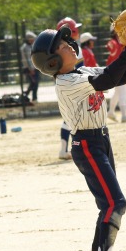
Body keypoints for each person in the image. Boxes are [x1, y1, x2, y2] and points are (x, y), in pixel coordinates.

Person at [30, 24, 126, 251]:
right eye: (62, 46)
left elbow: (123, 76)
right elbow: (108, 80)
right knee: (115, 202)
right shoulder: (67, 81)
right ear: (52, 62)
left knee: (108, 203)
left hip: (101, 140)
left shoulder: (81, 72)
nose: (70, 46)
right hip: (87, 144)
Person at [56, 17, 83, 159]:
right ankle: (65, 149)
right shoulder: (73, 49)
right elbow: (80, 69)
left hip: (66, 85)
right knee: (71, 119)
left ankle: (64, 149)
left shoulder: (58, 49)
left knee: (69, 118)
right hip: (75, 85)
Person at [106, 30, 126, 122]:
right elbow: (112, 48)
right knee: (123, 92)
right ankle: (124, 116)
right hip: (117, 70)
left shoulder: (119, 42)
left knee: (118, 92)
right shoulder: (114, 42)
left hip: (117, 69)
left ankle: (111, 112)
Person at [20, 31, 39, 102]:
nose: (33, 40)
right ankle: (25, 95)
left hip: (35, 68)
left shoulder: (33, 46)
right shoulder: (24, 48)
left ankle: (34, 98)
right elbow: (24, 60)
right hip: (28, 69)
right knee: (33, 83)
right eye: (32, 39)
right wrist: (30, 69)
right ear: (28, 39)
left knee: (36, 83)